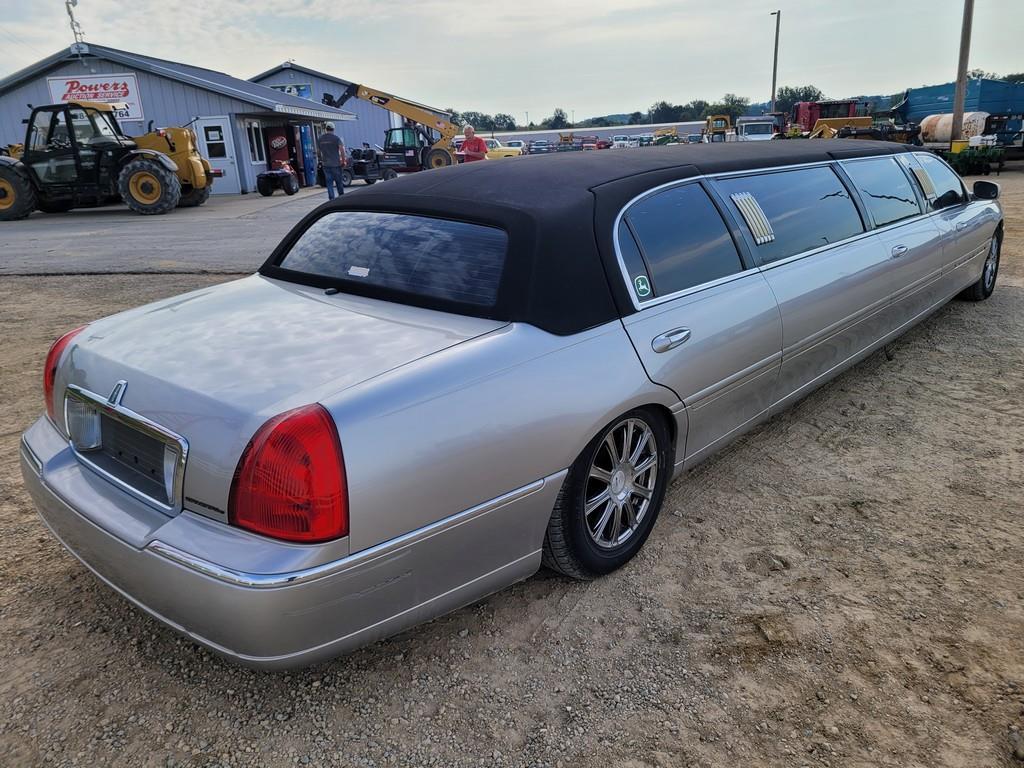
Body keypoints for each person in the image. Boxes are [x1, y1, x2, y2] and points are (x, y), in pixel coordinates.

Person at [317, 122, 347, 199]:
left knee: (329, 183)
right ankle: (341, 198)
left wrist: (321, 159)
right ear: (333, 129)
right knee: (338, 182)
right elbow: (342, 150)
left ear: (326, 128)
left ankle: (331, 198)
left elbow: (318, 152)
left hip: (326, 165)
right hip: (336, 164)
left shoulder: (320, 139)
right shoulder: (336, 138)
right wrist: (343, 161)